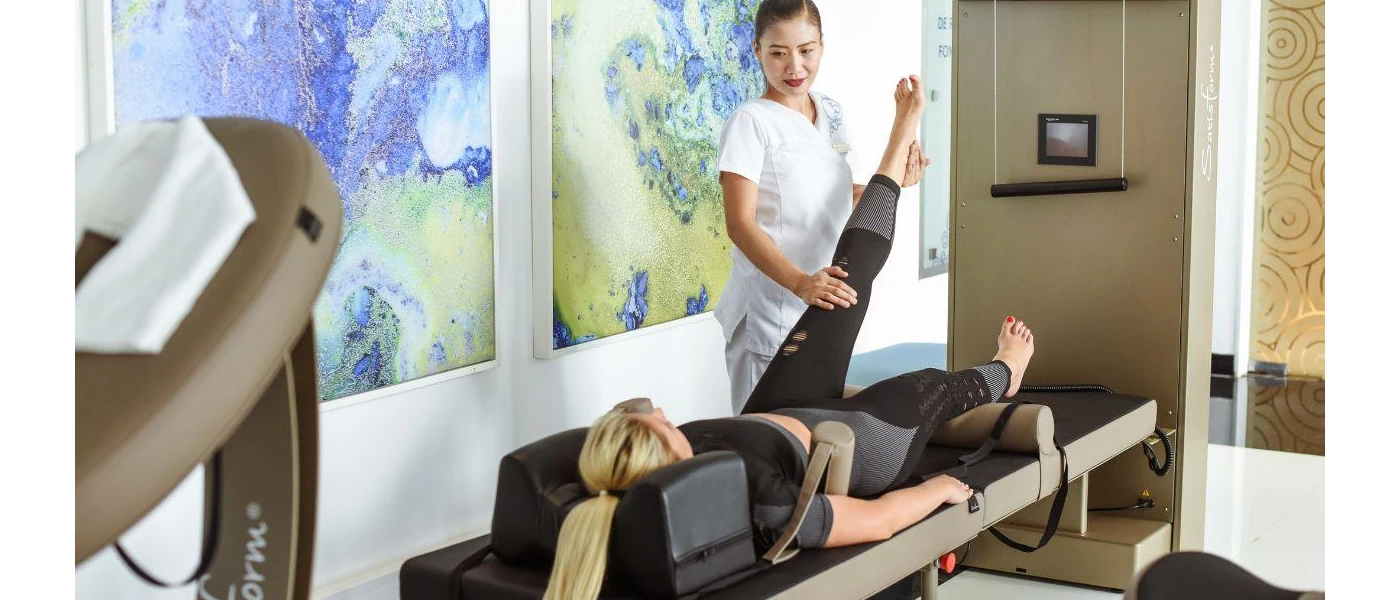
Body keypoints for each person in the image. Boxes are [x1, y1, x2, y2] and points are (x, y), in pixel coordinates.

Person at [544, 75, 1034, 600]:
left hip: (778, 407)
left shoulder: (659, 468)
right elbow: (877, 520)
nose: (665, 411)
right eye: (661, 424)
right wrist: (936, 490)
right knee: (927, 385)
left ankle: (898, 140)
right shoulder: (757, 504)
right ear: (662, 466)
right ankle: (1005, 372)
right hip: (852, 450)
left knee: (844, 279)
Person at [716, 0, 932, 413]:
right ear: (757, 50)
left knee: (812, 437)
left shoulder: (831, 112)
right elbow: (739, 224)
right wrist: (799, 282)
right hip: (773, 308)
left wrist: (893, 183)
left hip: (823, 302)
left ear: (821, 45)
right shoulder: (751, 122)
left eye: (806, 50)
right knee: (764, 438)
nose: (794, 66)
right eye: (778, 53)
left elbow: (835, 195)